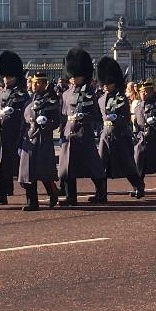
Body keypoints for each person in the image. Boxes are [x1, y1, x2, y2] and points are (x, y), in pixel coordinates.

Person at [58, 47, 106, 206]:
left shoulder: (89, 93)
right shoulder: (65, 94)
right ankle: (71, 197)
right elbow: (63, 114)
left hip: (83, 134)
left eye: (76, 76)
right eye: (71, 76)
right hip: (68, 134)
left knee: (92, 165)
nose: (72, 79)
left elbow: (95, 115)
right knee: (67, 166)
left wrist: (83, 117)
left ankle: (101, 193)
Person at [0, 51, 30, 205]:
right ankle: (0, 196)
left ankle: (36, 194)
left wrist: (15, 112)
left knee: (20, 167)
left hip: (15, 134)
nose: (7, 79)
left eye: (9, 77)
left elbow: (27, 113)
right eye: (5, 77)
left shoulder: (22, 94)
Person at [96, 57, 143, 200]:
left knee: (126, 164)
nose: (105, 85)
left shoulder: (121, 98)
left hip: (119, 135)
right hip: (105, 135)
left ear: (114, 83)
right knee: (101, 165)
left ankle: (138, 186)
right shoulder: (100, 99)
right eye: (103, 83)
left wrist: (117, 119)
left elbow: (125, 117)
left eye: (107, 83)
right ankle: (101, 194)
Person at [18, 70, 60, 211]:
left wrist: (46, 122)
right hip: (29, 138)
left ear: (43, 84)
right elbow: (23, 123)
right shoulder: (29, 101)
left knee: (43, 171)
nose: (33, 85)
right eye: (32, 82)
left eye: (37, 83)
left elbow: (56, 121)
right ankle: (32, 202)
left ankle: (52, 192)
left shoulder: (50, 101)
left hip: (42, 138)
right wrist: (20, 142)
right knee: (27, 172)